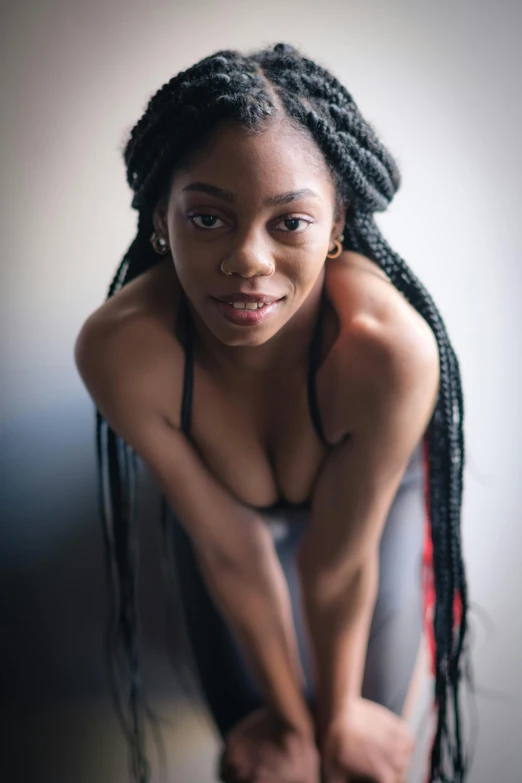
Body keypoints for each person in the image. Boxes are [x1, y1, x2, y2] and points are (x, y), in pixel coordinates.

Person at [74, 43, 471, 783]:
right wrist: (291, 726)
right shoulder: (123, 349)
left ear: (337, 224)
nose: (248, 259)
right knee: (267, 764)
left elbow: (338, 561)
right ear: (162, 216)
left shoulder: (387, 354)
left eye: (289, 222)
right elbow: (232, 547)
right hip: (224, 527)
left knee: (365, 754)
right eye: (208, 218)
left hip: (367, 517)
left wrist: (338, 718)